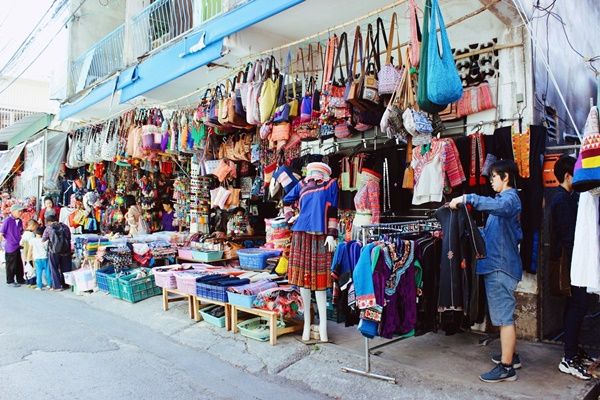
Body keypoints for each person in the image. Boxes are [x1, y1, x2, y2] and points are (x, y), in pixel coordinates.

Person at [449, 159, 522, 383]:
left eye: (493, 177)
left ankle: (507, 368)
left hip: (501, 267)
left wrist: (467, 198)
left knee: (504, 318)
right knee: (503, 315)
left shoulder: (509, 200)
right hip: (498, 265)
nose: (491, 181)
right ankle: (511, 357)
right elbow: (494, 235)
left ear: (505, 177)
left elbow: (497, 208)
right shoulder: (503, 202)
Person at [283, 162, 338, 343]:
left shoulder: (331, 185)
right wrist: (291, 217)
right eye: (311, 171)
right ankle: (307, 323)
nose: (314, 174)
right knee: (304, 282)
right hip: (301, 234)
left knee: (320, 283)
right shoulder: (301, 184)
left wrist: (332, 234)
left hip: (321, 236)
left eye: (317, 172)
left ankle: (323, 326)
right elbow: (286, 201)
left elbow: (333, 210)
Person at [550, 155, 594, 380]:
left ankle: (573, 351)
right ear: (568, 176)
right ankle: (568, 358)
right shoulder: (561, 200)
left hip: (574, 260)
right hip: (571, 262)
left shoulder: (568, 197)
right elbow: (568, 237)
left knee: (576, 306)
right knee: (578, 305)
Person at [42, 214, 72, 291]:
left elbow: (43, 239)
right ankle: (66, 284)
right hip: (66, 251)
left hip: (54, 251)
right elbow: (69, 237)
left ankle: (57, 286)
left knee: (54, 268)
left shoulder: (49, 228)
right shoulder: (65, 226)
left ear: (49, 222)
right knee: (65, 268)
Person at [1, 204, 26, 287]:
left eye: (21, 211)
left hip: (18, 245)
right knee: (11, 265)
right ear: (13, 211)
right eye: (19, 211)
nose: (21, 212)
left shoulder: (20, 221)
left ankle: (20, 279)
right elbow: (1, 233)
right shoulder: (7, 220)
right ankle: (10, 281)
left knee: (19, 263)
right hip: (10, 245)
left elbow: (21, 232)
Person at [28, 226, 50, 291]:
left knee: (38, 273)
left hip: (37, 259)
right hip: (45, 257)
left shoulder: (32, 240)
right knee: (47, 272)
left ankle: (39, 286)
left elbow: (30, 250)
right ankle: (49, 284)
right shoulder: (46, 240)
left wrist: (28, 258)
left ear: (36, 232)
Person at [21, 219, 39, 287]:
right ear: (32, 225)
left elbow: (21, 243)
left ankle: (28, 281)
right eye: (36, 227)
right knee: (32, 268)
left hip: (24, 254)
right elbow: (33, 244)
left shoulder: (24, 233)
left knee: (26, 267)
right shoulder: (31, 234)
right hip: (30, 254)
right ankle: (32, 283)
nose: (36, 229)